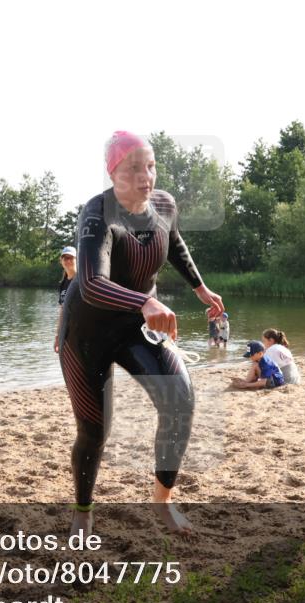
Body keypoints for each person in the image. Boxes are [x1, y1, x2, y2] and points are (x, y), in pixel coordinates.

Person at [58, 131, 225, 536]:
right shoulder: (98, 213)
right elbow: (91, 283)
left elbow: (174, 242)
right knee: (95, 431)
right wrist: (145, 303)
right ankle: (83, 511)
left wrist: (200, 288)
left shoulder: (164, 205)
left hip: (135, 326)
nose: (145, 176)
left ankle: (162, 501)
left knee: (180, 399)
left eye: (150, 166)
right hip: (87, 332)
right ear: (113, 171)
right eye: (133, 168)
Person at [53, 246, 77, 354]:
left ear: (76, 260)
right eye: (65, 258)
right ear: (61, 261)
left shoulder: (81, 281)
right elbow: (62, 311)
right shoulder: (62, 284)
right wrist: (58, 335)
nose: (67, 261)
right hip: (67, 333)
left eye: (70, 258)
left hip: (81, 332)